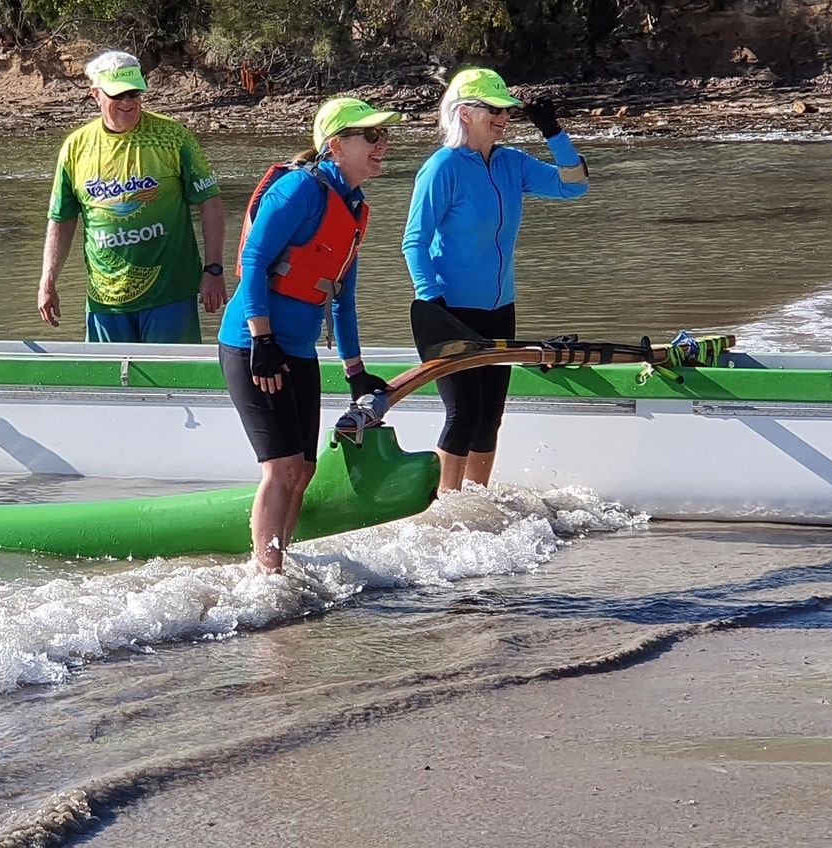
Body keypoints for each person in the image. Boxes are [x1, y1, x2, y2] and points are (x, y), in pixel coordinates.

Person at [219, 96, 400, 572]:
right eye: (372, 136)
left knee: (304, 470)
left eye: (385, 136)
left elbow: (343, 297)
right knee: (280, 470)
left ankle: (281, 562)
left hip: (297, 349)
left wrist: (356, 371)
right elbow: (254, 261)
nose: (383, 145)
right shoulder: (299, 189)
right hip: (252, 345)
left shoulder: (356, 208)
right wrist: (261, 339)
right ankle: (266, 575)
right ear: (336, 145)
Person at [402, 67, 590, 493]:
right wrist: (432, 302)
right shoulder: (442, 168)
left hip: (500, 307)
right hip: (451, 312)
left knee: (490, 417)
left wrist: (553, 131)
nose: (504, 117)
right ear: (464, 113)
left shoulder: (511, 163)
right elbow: (414, 241)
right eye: (494, 109)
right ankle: (447, 509)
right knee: (463, 413)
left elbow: (574, 187)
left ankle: (478, 501)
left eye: (507, 110)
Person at [39, 50, 226, 343]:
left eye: (134, 93)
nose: (128, 102)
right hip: (105, 300)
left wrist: (214, 269)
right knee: (110, 387)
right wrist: (47, 281)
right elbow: (61, 218)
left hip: (170, 294)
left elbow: (210, 203)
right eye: (118, 95)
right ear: (96, 95)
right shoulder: (76, 148)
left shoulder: (173, 137)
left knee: (169, 383)